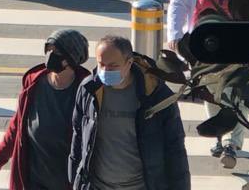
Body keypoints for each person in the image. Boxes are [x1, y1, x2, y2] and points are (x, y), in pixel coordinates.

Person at [69, 35, 190, 190]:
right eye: (101, 64)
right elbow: (78, 134)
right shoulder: (89, 90)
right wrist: (75, 178)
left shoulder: (156, 94)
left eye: (112, 65)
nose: (105, 70)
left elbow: (175, 147)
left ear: (129, 63)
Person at [166, 0, 245, 170]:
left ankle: (232, 143)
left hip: (235, 41)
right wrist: (175, 35)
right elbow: (178, 2)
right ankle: (221, 136)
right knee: (210, 90)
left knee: (233, 91)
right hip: (203, 42)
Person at [0, 29, 90, 189]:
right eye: (48, 49)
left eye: (56, 52)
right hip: (33, 179)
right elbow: (17, 125)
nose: (50, 55)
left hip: (67, 180)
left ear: (71, 58)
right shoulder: (33, 83)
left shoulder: (86, 91)